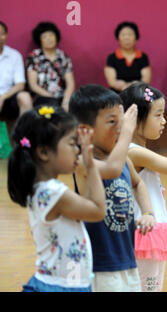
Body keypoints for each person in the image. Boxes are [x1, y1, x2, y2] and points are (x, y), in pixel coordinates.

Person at [7, 105, 106, 292]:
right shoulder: (53, 193)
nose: (77, 149)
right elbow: (98, 210)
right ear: (44, 152)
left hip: (64, 283)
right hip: (61, 286)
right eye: (71, 143)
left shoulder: (41, 189)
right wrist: (90, 165)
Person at [69, 84, 156, 292]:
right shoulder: (81, 162)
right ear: (84, 129)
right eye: (111, 122)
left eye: (122, 121)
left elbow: (138, 183)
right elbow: (112, 169)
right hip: (100, 266)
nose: (120, 128)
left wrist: (147, 212)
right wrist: (127, 131)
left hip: (127, 259)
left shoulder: (123, 159)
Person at [120, 82, 167, 292]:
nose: (163, 121)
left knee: (151, 286)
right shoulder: (133, 151)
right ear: (136, 118)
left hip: (154, 229)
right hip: (145, 231)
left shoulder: (137, 149)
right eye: (158, 115)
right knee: (148, 288)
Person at [26, 22, 75, 111]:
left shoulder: (63, 56)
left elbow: (70, 83)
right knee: (52, 105)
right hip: (42, 96)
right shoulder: (34, 56)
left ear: (56, 37)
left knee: (77, 105)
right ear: (39, 40)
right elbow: (33, 85)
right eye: (45, 36)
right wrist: (51, 97)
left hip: (62, 96)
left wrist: (66, 100)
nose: (49, 39)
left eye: (51, 35)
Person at [105, 22, 151, 93]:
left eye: (130, 34)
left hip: (138, 93)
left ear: (136, 38)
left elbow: (146, 80)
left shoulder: (143, 57)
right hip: (117, 94)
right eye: (123, 35)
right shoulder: (112, 58)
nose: (127, 38)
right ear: (118, 38)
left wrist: (127, 86)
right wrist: (133, 85)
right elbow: (112, 82)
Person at [0, 21, 32, 121]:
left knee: (25, 96)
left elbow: (20, 84)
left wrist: (3, 97)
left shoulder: (14, 55)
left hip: (8, 97)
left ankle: (24, 136)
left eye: (1, 34)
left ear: (6, 35)